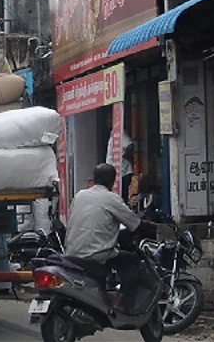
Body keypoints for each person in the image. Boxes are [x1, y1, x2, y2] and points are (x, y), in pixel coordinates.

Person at [64, 163, 155, 314]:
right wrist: (154, 226)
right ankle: (120, 302)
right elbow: (135, 224)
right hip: (96, 255)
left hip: (72, 252)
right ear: (112, 181)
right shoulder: (111, 199)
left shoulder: (80, 195)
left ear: (94, 179)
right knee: (133, 262)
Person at [106, 111, 135, 202]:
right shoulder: (113, 134)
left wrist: (123, 158)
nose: (108, 122)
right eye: (108, 120)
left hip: (123, 172)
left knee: (121, 198)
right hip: (116, 173)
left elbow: (130, 146)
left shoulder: (121, 133)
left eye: (110, 119)